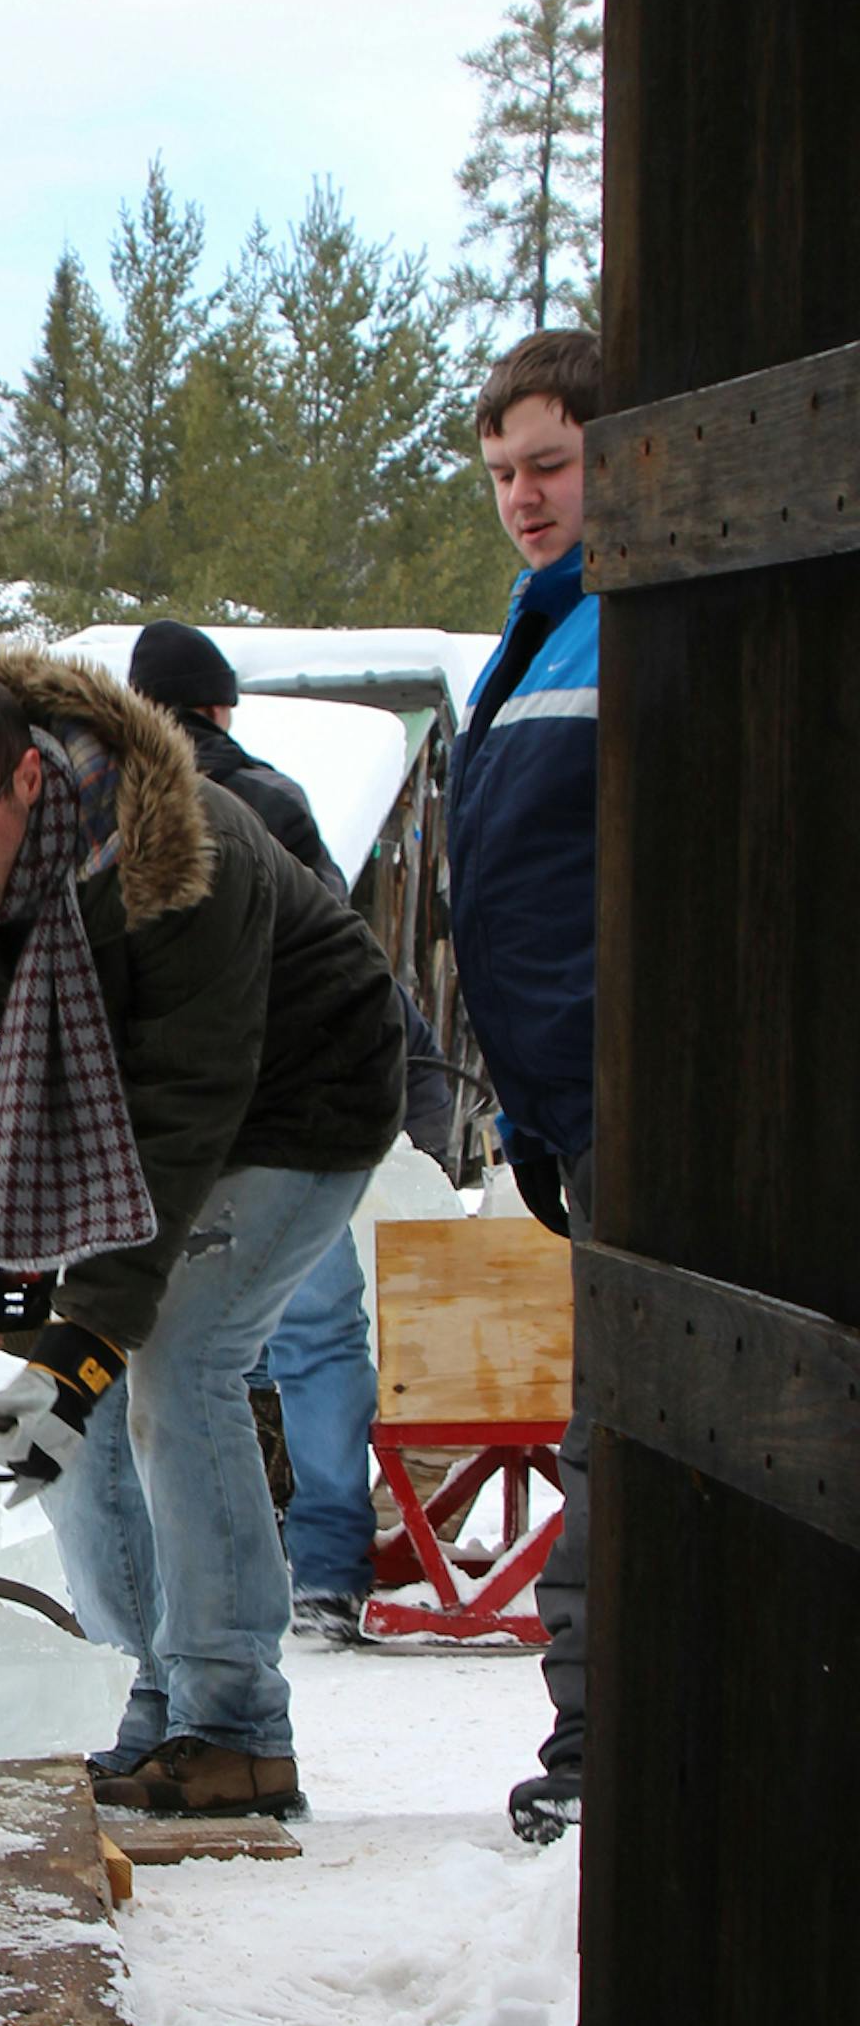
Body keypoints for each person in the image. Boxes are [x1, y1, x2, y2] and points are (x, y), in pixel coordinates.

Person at [0, 651, 404, 1818]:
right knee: (77, 1394)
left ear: (22, 780)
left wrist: (81, 1346)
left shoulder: (176, 854)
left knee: (178, 1360)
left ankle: (238, 1726)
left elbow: (181, 1116)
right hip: (148, 1121)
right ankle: (142, 1702)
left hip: (304, 1103)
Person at [125, 619, 453, 1645]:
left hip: (182, 1126)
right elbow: (349, 966)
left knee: (181, 1350)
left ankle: (204, 1569)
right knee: (312, 1337)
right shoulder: (270, 800)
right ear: (220, 708)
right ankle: (324, 1564)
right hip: (298, 1121)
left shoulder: (114, 812)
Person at [446, 325, 601, 1844]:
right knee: (601, 1418)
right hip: (568, 1105)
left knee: (626, 1426)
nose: (527, 495)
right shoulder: (536, 628)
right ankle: (590, 1737)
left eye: (550, 464)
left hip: (644, 1098)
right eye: (503, 471)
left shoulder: (634, 620)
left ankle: (599, 1751)